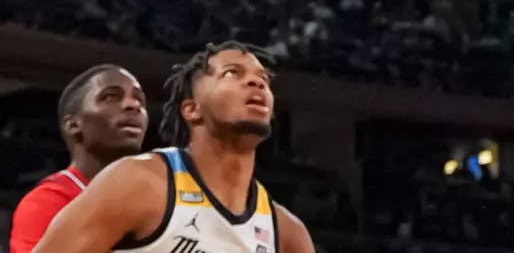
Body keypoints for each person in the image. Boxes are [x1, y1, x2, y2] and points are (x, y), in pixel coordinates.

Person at [32, 43, 313, 253]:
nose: (255, 83)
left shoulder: (287, 234)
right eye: (231, 74)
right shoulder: (137, 183)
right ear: (192, 110)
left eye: (263, 80)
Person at [9, 66, 148, 253]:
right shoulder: (46, 203)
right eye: (110, 97)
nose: (133, 105)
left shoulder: (155, 200)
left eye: (139, 99)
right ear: (73, 124)